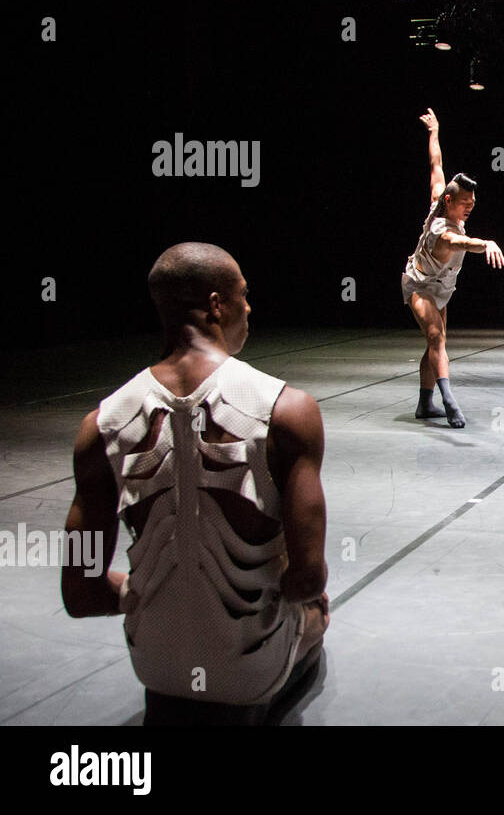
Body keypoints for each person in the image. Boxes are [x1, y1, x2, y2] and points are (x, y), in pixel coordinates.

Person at [62, 242, 330, 723]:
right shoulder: (287, 410)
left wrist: (149, 591)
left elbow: (81, 594)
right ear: (216, 305)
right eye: (243, 295)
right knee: (319, 612)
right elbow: (307, 579)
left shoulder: (99, 426)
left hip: (155, 669)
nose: (249, 307)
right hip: (248, 673)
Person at [403, 108, 504, 428]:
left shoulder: (440, 194)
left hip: (443, 290)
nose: (469, 209)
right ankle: (448, 401)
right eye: (465, 204)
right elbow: (459, 243)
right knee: (436, 337)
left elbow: (436, 164)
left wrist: (434, 131)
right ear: (449, 202)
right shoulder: (441, 232)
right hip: (420, 286)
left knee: (435, 343)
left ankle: (424, 404)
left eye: (472, 205)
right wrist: (485, 243)